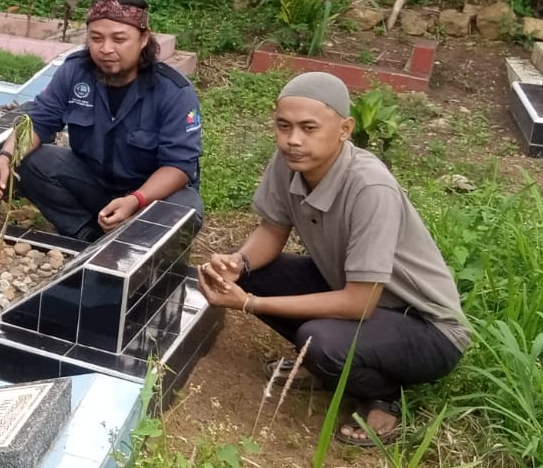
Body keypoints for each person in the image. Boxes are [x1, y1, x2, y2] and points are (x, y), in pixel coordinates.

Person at [197, 72, 468, 446]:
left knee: (320, 340)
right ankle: (331, 365)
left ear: (344, 129)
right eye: (284, 126)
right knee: (255, 273)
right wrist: (237, 263)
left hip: (424, 328)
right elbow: (273, 230)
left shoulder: (370, 188)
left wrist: (250, 304)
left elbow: (360, 302)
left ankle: (382, 396)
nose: (293, 140)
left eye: (309, 127)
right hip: (353, 292)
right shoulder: (290, 161)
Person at [0, 0, 203, 242]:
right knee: (29, 160)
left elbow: (179, 166)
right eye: (96, 38)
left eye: (119, 39)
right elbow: (40, 120)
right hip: (93, 183)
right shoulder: (75, 71)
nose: (106, 49)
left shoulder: (174, 91)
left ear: (143, 39)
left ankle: (136, 247)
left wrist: (135, 200)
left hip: (147, 196)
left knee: (185, 208)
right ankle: (86, 236)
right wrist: (6, 157)